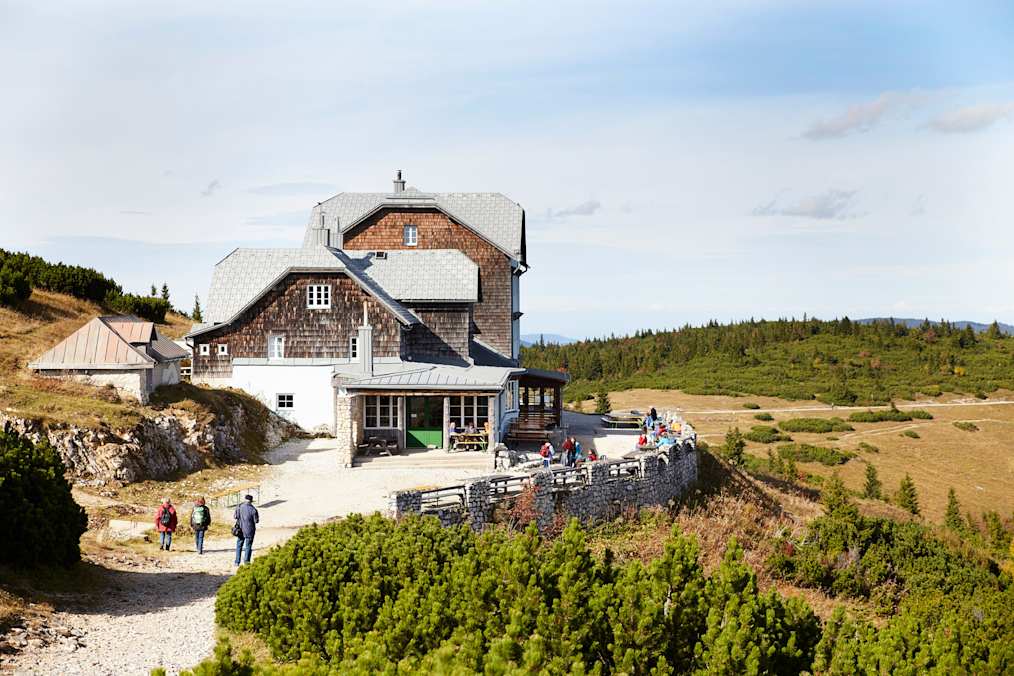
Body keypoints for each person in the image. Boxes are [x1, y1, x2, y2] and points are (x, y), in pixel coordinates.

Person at [233, 494, 259, 566]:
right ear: (251, 501)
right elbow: (256, 521)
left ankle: (237, 562)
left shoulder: (239, 507)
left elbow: (235, 517)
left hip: (240, 529)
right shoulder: (253, 509)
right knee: (248, 546)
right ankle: (246, 562)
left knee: (239, 545)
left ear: (245, 499)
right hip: (250, 530)